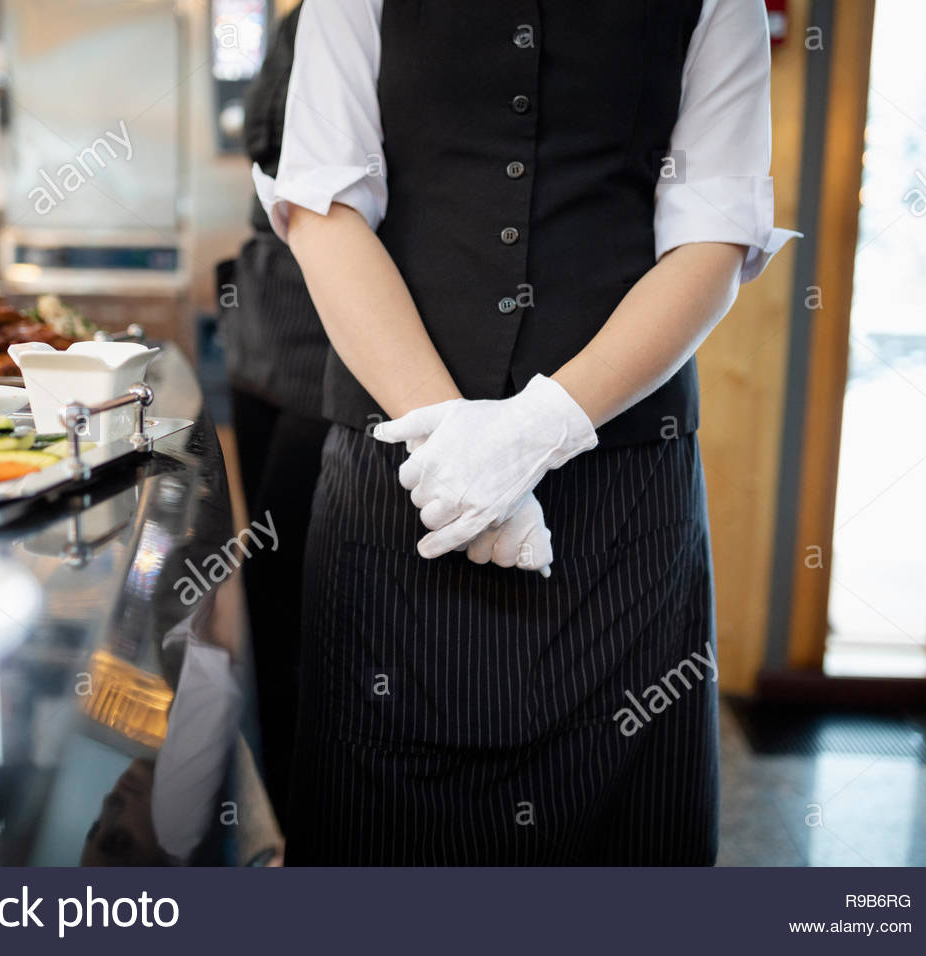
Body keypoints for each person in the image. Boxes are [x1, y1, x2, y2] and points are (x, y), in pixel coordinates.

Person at [253, 0, 797, 864]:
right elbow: (324, 209)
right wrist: (458, 452)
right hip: (400, 485)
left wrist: (536, 432)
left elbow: (714, 231)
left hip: (618, 496)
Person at [218, 2, 329, 828]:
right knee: (270, 581)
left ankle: (299, 812)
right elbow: (269, 152)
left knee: (296, 595)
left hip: (328, 360)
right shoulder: (303, 21)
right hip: (269, 343)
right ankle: (284, 810)